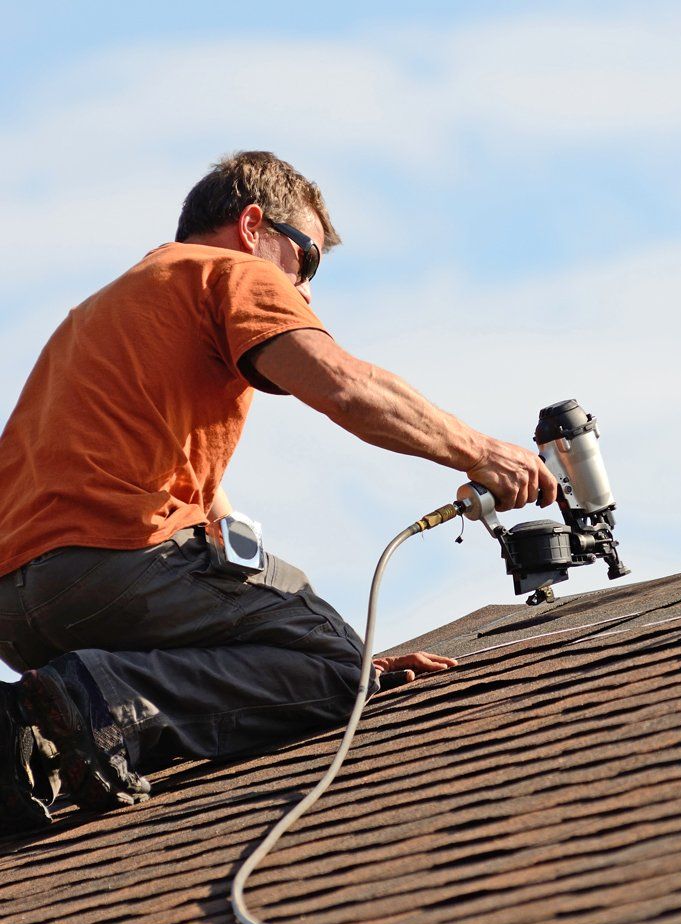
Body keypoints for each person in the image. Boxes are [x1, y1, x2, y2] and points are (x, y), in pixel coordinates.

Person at [0, 151, 557, 831]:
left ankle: (42, 738)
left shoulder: (104, 309)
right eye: (308, 260)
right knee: (340, 675)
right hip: (110, 567)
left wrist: (323, 647)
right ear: (253, 225)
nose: (308, 291)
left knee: (318, 645)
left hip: (17, 612)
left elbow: (211, 526)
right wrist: (481, 452)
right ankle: (95, 699)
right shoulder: (228, 273)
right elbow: (345, 386)